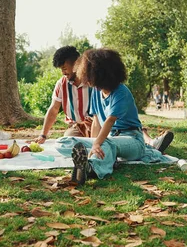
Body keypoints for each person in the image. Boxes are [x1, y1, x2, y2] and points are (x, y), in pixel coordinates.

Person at [56, 48, 176, 185]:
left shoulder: (121, 93)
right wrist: (94, 144)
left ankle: (90, 168)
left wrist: (97, 144)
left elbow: (109, 121)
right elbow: (96, 122)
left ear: (99, 73)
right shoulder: (96, 91)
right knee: (63, 142)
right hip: (110, 138)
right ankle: (105, 156)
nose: (84, 78)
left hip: (133, 140)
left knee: (105, 143)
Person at [35, 46, 172, 151]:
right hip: (84, 126)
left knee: (118, 134)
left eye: (65, 68)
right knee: (65, 141)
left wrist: (96, 143)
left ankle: (148, 143)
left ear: (77, 63)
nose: (63, 73)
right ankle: (105, 149)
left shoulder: (100, 83)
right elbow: (53, 109)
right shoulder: (66, 84)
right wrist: (43, 135)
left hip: (115, 128)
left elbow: (112, 119)